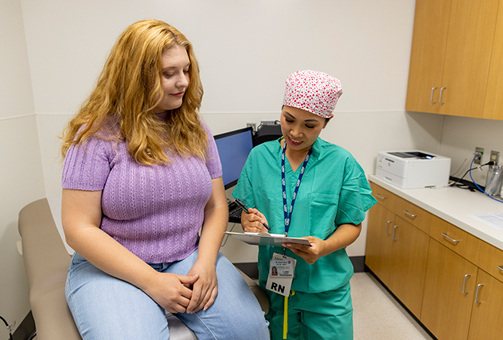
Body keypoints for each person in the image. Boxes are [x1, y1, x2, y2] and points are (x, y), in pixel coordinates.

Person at [60, 19, 269, 340]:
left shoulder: (195, 129)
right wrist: (152, 282)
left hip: (186, 256)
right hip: (112, 268)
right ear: (134, 76)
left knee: (251, 332)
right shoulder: (95, 135)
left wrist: (207, 262)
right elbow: (78, 228)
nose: (182, 82)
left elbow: (215, 207)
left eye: (186, 70)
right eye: (169, 73)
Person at [232, 70, 377, 340]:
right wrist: (247, 221)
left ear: (326, 121)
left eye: (310, 125)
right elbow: (246, 210)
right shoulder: (259, 157)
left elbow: (352, 224)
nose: (296, 133)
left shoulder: (341, 163)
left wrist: (324, 247)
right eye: (288, 120)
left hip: (326, 290)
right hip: (276, 285)